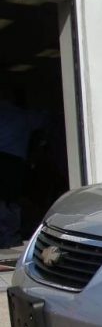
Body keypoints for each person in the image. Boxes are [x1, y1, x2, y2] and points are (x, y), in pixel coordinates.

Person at [0, 85, 45, 247]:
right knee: (11, 201)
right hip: (14, 162)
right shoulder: (23, 115)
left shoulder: (16, 114)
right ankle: (9, 238)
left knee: (8, 202)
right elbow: (44, 120)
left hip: (8, 160)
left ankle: (7, 237)